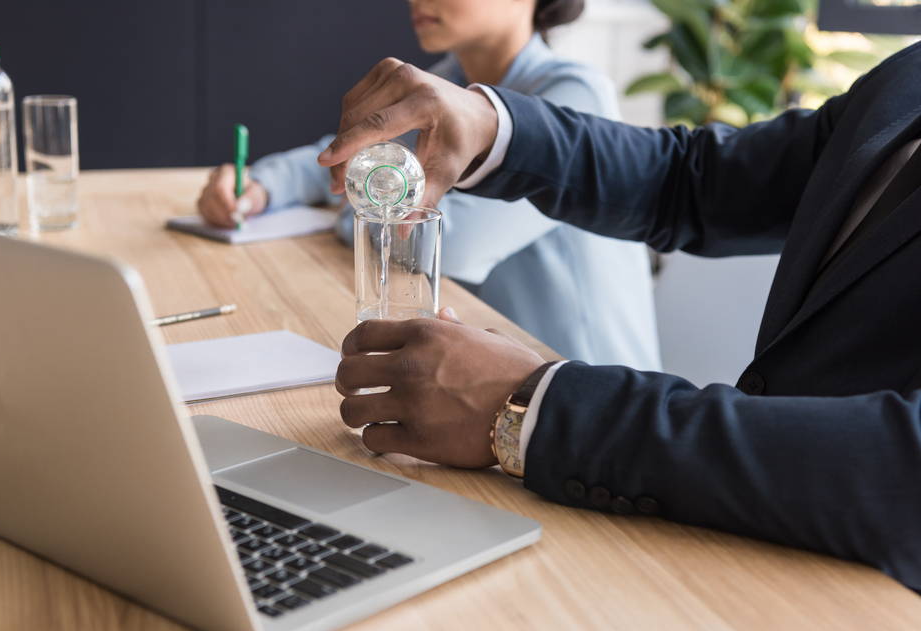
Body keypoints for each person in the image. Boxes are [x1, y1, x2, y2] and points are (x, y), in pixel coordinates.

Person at [317, 43, 921, 592]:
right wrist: (498, 127)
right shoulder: (909, 74)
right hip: (738, 556)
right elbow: (696, 181)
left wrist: (537, 406)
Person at [196, 0, 660, 369]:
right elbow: (344, 153)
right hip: (490, 362)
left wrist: (359, 209)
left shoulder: (576, 97)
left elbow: (448, 247)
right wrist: (258, 186)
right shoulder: (448, 83)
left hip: (581, 388)